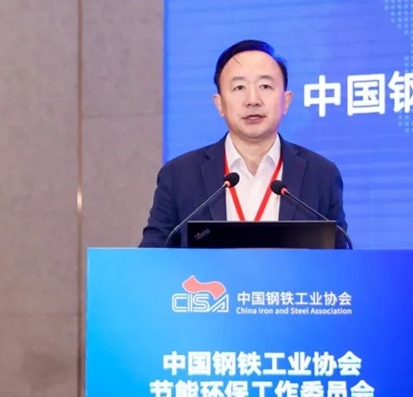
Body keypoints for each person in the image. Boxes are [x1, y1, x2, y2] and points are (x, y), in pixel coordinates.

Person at [139, 39, 348, 248]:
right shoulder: (179, 176)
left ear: (286, 101)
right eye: (239, 87)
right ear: (220, 104)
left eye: (265, 86)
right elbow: (151, 257)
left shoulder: (321, 175)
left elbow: (341, 259)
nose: (253, 100)